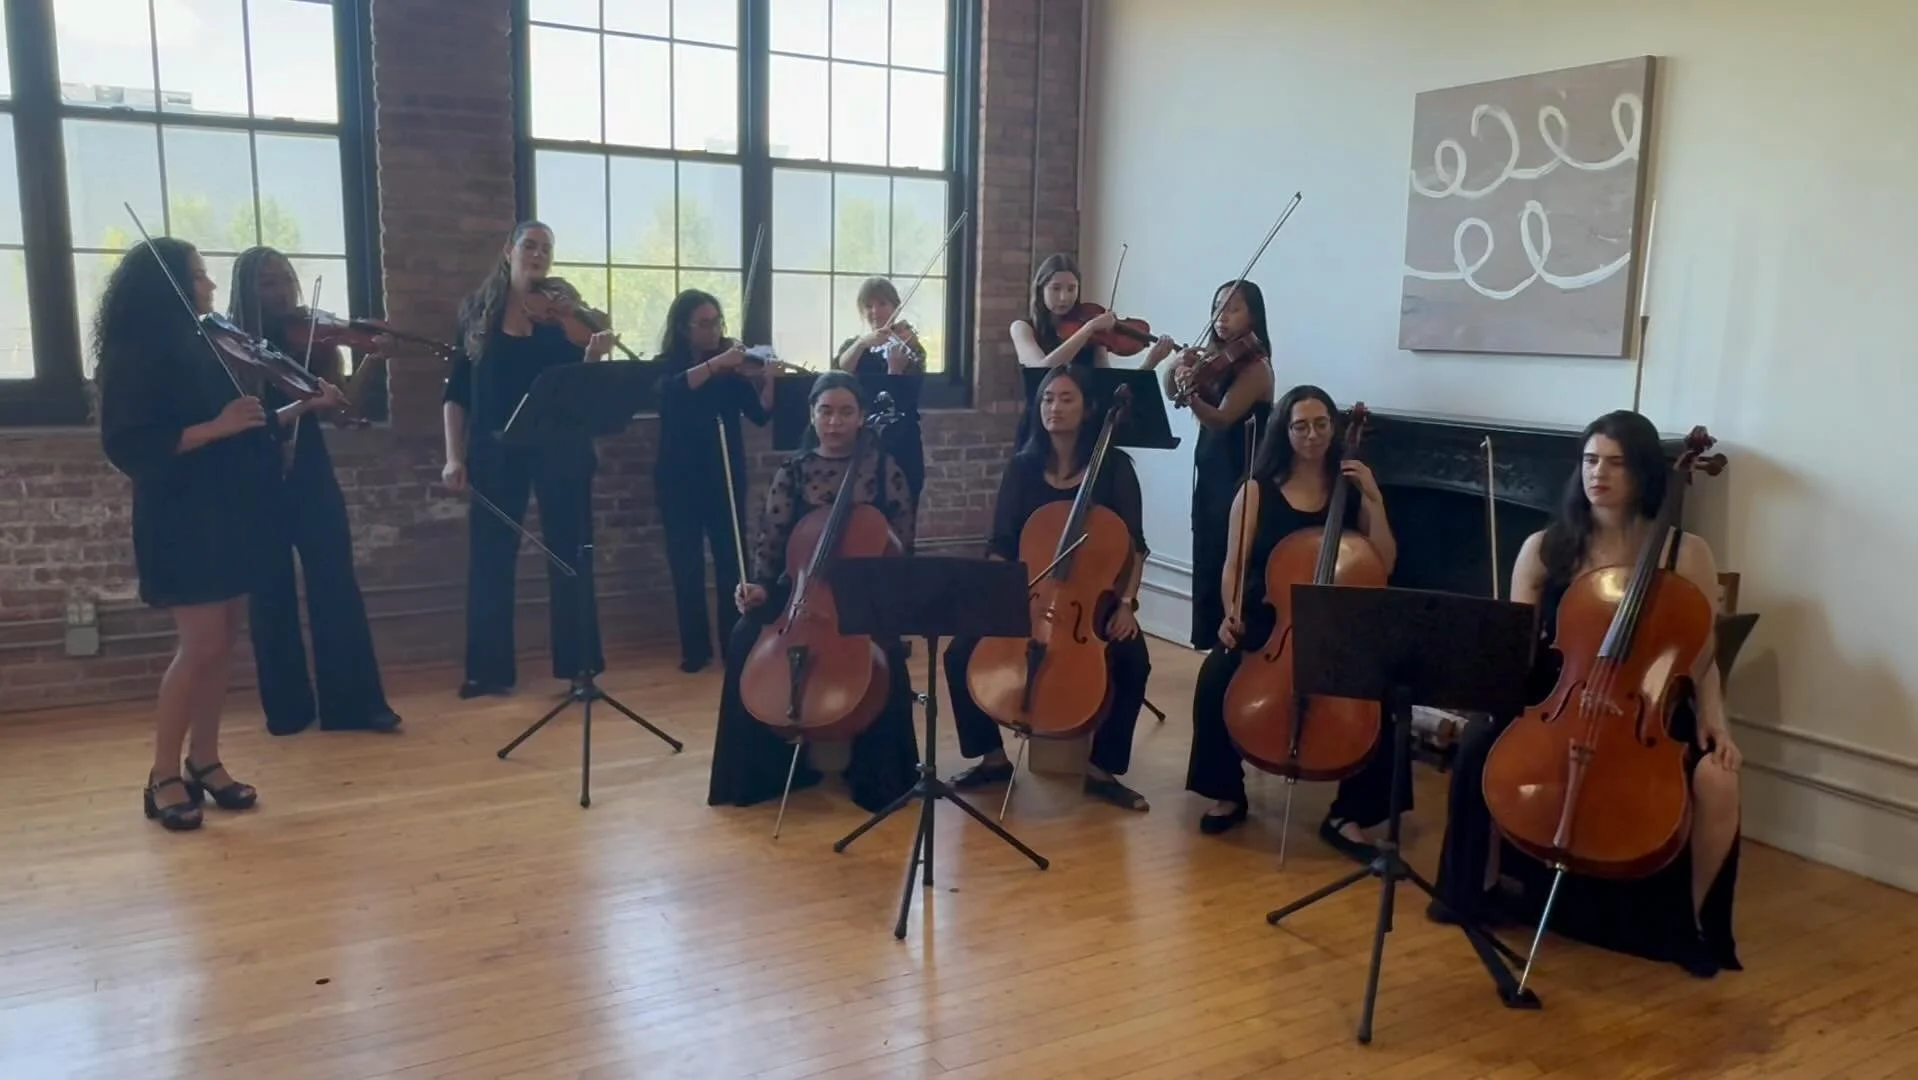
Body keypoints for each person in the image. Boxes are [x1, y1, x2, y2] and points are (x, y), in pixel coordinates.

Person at [1431, 409, 1744, 978]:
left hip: (1647, 704)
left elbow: (1700, 654)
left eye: (1616, 463)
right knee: (1479, 743)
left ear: (1645, 473)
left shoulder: (1685, 553)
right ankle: (1477, 890)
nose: (1599, 473)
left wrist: (1716, 719)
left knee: (1718, 779)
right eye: (1591, 460)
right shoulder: (1546, 548)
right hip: (1561, 691)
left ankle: (1692, 927)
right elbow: (1515, 645)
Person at [95, 236, 346, 830]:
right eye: (199, 275)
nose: (210, 285)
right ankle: (162, 776)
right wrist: (215, 427)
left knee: (224, 642)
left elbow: (246, 426)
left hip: (230, 510)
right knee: (200, 647)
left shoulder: (205, 346)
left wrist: (301, 408)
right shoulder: (135, 355)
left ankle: (204, 760)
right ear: (168, 286)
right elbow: (129, 447)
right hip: (182, 518)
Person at [1185, 385, 1402, 856]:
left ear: (1334, 429)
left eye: (1321, 424)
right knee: (1216, 676)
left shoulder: (1352, 490)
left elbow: (1382, 562)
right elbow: (1233, 566)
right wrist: (1231, 613)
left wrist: (1374, 500)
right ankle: (1227, 793)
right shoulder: (1256, 491)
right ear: (1285, 431)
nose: (1312, 434)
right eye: (1301, 425)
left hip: (1337, 627)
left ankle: (1349, 815)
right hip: (1269, 619)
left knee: (1385, 696)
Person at [707, 371, 920, 814]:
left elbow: (902, 544)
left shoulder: (885, 471)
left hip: (867, 594)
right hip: (802, 593)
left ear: (861, 417)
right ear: (812, 414)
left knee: (885, 653)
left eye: (845, 412)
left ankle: (881, 776)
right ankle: (756, 772)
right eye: (826, 411)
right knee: (744, 636)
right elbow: (772, 542)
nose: (835, 422)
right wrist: (758, 587)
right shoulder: (794, 471)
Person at [944, 365, 1154, 811]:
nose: (1054, 408)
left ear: (1089, 408)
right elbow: (1001, 542)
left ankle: (1103, 768)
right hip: (1027, 591)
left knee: (1133, 659)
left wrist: (1127, 604)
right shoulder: (1023, 467)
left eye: (1066, 399)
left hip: (1092, 599)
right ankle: (992, 757)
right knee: (959, 652)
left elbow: (1134, 547)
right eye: (1047, 399)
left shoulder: (1114, 468)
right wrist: (999, 595)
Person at [226, 247, 401, 735]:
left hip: (310, 467)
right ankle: (287, 709)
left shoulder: (314, 341)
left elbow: (344, 412)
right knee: (270, 591)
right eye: (268, 282)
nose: (282, 291)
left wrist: (372, 360)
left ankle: (355, 706)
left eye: (286, 279)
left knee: (335, 580)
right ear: (246, 290)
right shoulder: (228, 347)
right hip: (254, 473)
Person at [441, 220, 617, 698]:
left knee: (571, 552)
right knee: (491, 556)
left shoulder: (564, 311)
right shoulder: (477, 311)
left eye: (546, 249)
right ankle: (488, 671)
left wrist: (592, 352)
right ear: (509, 250)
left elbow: (584, 384)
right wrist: (453, 457)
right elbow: (457, 393)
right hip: (494, 447)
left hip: (560, 446)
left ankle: (581, 668)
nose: (538, 255)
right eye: (530, 245)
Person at [656, 289, 773, 672]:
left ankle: (733, 642)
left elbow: (759, 415)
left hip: (724, 473)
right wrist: (718, 363)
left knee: (731, 562)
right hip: (678, 478)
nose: (714, 330)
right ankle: (695, 650)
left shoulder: (730, 373)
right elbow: (670, 393)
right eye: (704, 324)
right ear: (684, 328)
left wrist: (768, 379)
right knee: (686, 564)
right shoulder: (668, 366)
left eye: (717, 322)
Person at [1159, 280, 1276, 651]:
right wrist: (1176, 367)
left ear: (1253, 316)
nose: (1221, 317)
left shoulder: (1256, 367)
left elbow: (1222, 418)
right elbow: (1171, 391)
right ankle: (1211, 641)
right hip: (1212, 473)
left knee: (1231, 555)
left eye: (1233, 309)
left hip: (1239, 473)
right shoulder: (1215, 359)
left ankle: (1234, 642)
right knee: (1208, 552)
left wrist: (1191, 395)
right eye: (1217, 308)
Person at [1008, 253, 1177, 446]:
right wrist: (1088, 329)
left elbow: (1113, 392)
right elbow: (1043, 369)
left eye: (1071, 289)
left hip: (1083, 431)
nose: (1064, 297)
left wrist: (1150, 362)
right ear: (1040, 289)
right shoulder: (1022, 328)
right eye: (1056, 288)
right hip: (1041, 430)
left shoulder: (1094, 336)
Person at [835, 276, 926, 531]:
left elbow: (907, 398)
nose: (875, 311)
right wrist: (863, 342)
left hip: (901, 441)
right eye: (868, 306)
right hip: (862, 441)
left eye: (883, 304)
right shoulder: (854, 346)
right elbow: (842, 370)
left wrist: (895, 370)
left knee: (902, 515)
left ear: (896, 306)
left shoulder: (910, 348)